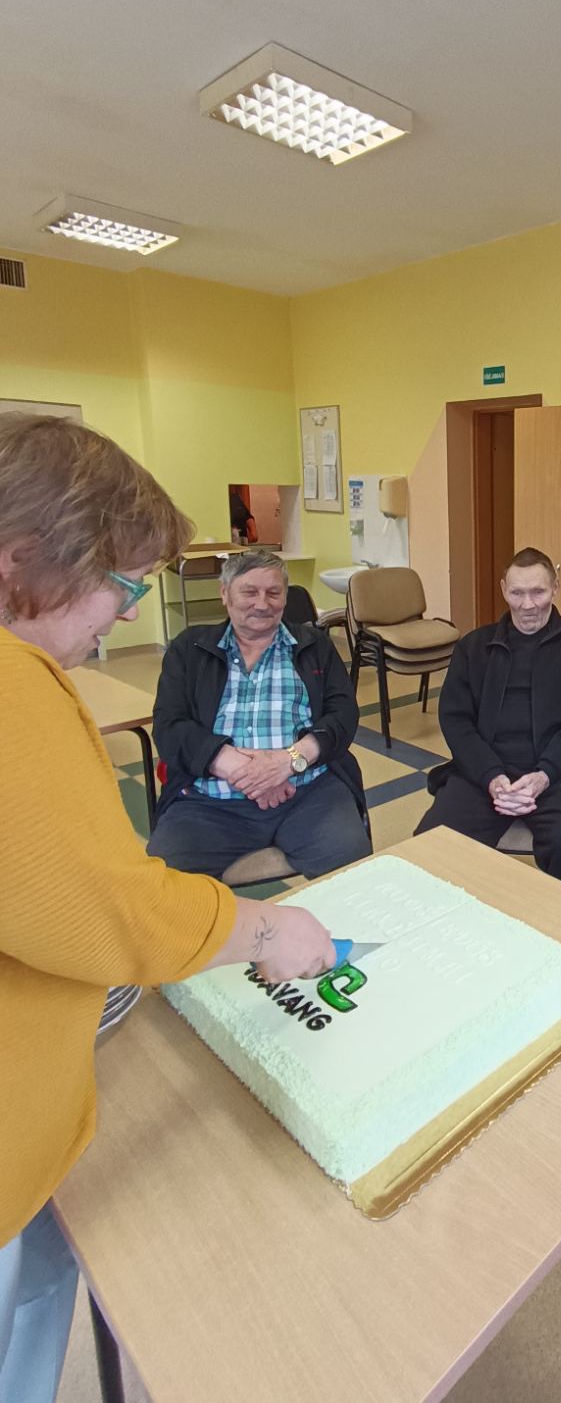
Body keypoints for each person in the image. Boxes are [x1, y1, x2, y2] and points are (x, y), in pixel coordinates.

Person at [0, 414, 335, 1403]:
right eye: (125, 582)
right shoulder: (20, 689)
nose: (121, 617)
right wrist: (264, 928)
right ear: (24, 558)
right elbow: (109, 904)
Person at [147, 549, 370, 880]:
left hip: (308, 792)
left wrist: (290, 761)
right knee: (161, 881)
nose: (263, 604)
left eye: (273, 593)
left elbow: (343, 714)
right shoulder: (189, 649)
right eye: (249, 592)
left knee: (352, 866)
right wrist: (243, 769)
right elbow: (169, 726)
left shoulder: (314, 645)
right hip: (209, 802)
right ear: (225, 593)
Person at [415, 547, 561, 892]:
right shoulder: (474, 647)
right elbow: (456, 722)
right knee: (433, 843)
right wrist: (491, 777)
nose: (528, 604)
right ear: (504, 589)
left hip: (560, 775)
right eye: (517, 593)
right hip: (485, 775)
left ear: (556, 588)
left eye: (538, 592)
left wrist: (544, 775)